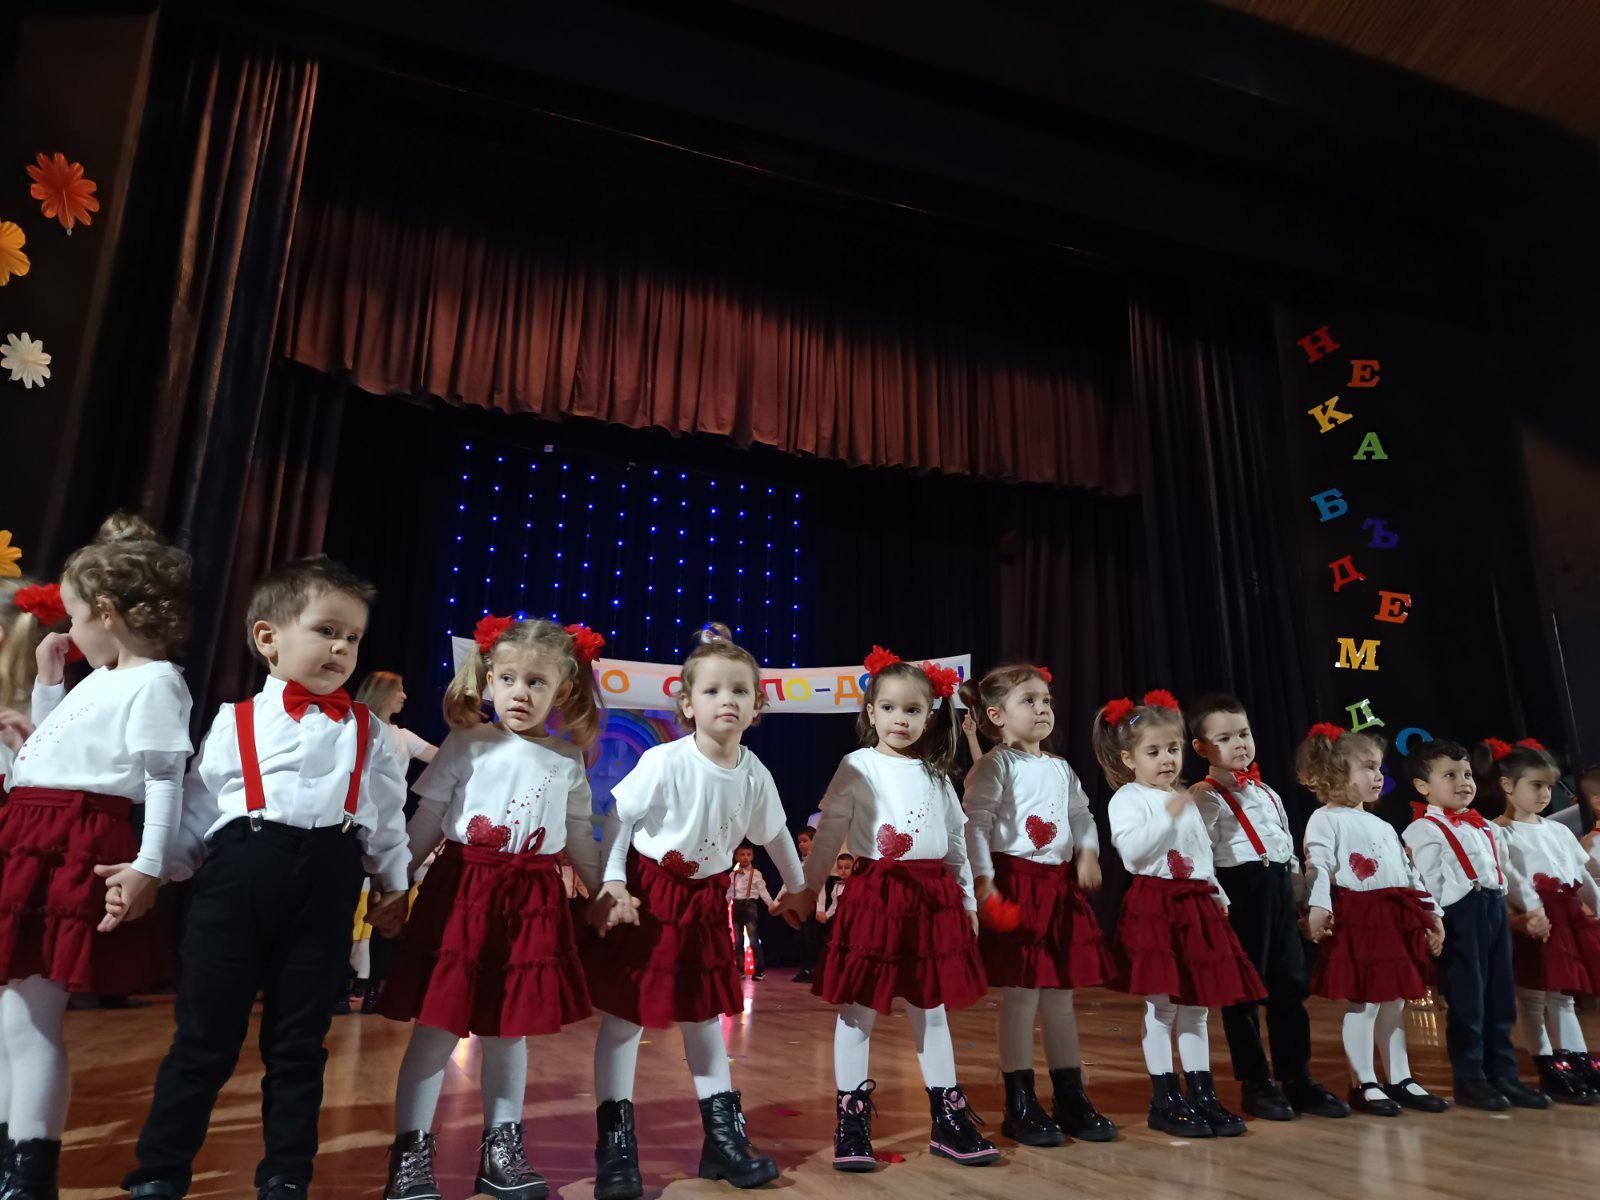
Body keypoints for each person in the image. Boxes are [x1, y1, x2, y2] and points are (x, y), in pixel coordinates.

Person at [124, 557, 410, 1200]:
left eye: (353, 638)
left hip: (330, 881)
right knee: (204, 1037)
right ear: (268, 637)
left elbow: (386, 815)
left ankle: (286, 1173)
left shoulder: (369, 731)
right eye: (326, 630)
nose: (342, 648)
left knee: (300, 1042)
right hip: (240, 875)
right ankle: (160, 1171)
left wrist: (394, 884)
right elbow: (199, 810)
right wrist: (153, 870)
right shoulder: (235, 719)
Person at [377, 616, 607, 1200]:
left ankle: (501, 1152)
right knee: (436, 1027)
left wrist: (606, 888)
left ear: (563, 690)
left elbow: (579, 836)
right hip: (462, 893)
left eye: (536, 682)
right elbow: (427, 821)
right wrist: (395, 885)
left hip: (531, 903)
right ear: (488, 681)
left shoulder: (567, 759)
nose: (519, 693)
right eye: (508, 679)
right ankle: (410, 1155)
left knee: (509, 1031)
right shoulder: (467, 742)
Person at [0, 516, 193, 1198]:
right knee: (11, 1016)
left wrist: (148, 867)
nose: (72, 631)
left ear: (107, 613)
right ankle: (12, 1155)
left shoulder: (156, 682)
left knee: (30, 1017)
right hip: (33, 831)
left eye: (77, 617)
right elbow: (54, 753)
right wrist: (49, 686)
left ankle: (29, 1172)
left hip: (71, 841)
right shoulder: (104, 679)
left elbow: (163, 781)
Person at [581, 623, 806, 1200]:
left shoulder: (754, 773)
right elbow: (622, 818)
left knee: (705, 1018)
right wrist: (612, 881)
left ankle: (723, 1141)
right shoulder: (664, 760)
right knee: (626, 1018)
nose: (727, 699)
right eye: (712, 690)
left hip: (705, 901)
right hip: (650, 894)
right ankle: (615, 1147)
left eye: (740, 690)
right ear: (686, 704)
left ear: (757, 707)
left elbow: (776, 834)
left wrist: (798, 887)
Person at [780, 648, 995, 1172]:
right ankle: (852, 1122)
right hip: (876, 897)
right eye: (890, 708)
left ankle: (948, 1118)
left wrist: (966, 899)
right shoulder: (858, 765)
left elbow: (955, 844)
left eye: (913, 710)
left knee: (932, 1009)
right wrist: (805, 888)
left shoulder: (937, 775)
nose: (901, 719)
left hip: (933, 901)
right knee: (859, 1010)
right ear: (871, 712)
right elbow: (829, 834)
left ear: (930, 715)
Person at [959, 663, 1114, 1147]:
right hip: (1017, 884)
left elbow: (1081, 815)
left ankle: (1070, 1095)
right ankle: (1020, 1102)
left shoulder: (1060, 768)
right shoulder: (995, 765)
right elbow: (976, 825)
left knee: (1061, 996)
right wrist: (984, 882)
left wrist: (1087, 853)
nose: (1043, 708)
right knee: (1023, 995)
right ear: (996, 715)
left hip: (1058, 888)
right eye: (1029, 700)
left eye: (1046, 700)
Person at [1099, 689, 1265, 1138]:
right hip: (1157, 905)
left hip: (1197, 904)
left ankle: (1203, 1094)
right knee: (1163, 1008)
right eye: (1153, 752)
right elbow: (1133, 854)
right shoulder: (1128, 798)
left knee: (1197, 1007)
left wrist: (1217, 893)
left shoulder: (1182, 796)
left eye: (1172, 749)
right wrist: (1167, 816)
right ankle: (1165, 1099)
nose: (1167, 759)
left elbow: (1200, 852)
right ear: (1129, 759)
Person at [1186, 693, 1347, 1121]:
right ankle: (1255, 1082)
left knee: (1289, 987)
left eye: (1243, 733)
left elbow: (1285, 850)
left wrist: (1302, 899)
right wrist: (1215, 899)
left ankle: (1297, 1077)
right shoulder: (1204, 796)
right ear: (1201, 748)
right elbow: (1199, 852)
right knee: (1242, 993)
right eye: (1224, 738)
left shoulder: (1269, 793)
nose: (1239, 743)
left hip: (1277, 894)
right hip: (1240, 895)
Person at [1297, 723, 1447, 1116]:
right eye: (1367, 767)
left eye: (1379, 767)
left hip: (1394, 916)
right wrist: (1319, 907)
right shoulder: (1325, 819)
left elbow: (1409, 874)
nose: (1378, 775)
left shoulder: (1383, 824)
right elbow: (1318, 865)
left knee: (1395, 1001)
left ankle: (1400, 1077)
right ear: (1336, 773)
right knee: (1365, 1003)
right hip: (1359, 917)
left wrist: (1432, 913)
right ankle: (1363, 1081)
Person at [1402, 737, 1549, 1111]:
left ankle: (1504, 1075)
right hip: (1460, 917)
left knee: (1500, 997)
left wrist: (1531, 908)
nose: (1463, 782)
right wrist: (1434, 920)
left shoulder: (1485, 826)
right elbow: (1425, 881)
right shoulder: (1422, 830)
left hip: (1495, 909)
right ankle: (1471, 1079)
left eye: (1466, 774)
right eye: (1449, 775)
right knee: (1468, 1000)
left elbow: (1509, 872)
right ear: (1423, 786)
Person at [1481, 736, 1600, 1102]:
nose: (1545, 793)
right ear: (1507, 785)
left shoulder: (1558, 830)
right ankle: (1547, 1064)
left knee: (1562, 995)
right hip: (1532, 922)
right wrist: (1521, 918)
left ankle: (1575, 1058)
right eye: (1536, 785)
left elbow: (1582, 877)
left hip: (1566, 920)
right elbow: (1504, 883)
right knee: (1532, 997)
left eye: (1549, 786)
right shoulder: (1497, 832)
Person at [356, 670, 437, 766]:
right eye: (399, 690)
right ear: (382, 692)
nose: (404, 696)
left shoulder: (404, 736)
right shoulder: (353, 728)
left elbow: (443, 758)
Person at [726, 845, 773, 981]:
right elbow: (729, 893)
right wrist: (723, 905)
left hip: (750, 906)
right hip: (737, 906)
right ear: (736, 857)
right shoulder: (733, 874)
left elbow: (763, 891)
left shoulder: (756, 873)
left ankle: (759, 970)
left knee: (753, 939)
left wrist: (772, 905)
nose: (745, 857)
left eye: (748, 854)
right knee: (738, 940)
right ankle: (740, 969)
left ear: (752, 857)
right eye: (742, 854)